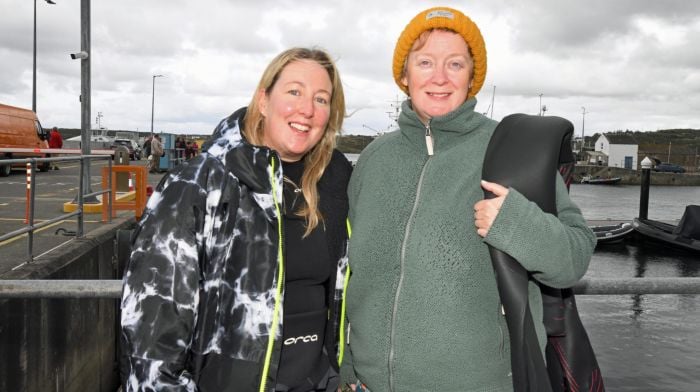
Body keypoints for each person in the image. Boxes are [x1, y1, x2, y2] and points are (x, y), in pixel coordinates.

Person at [340, 7, 596, 392]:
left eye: (455, 64)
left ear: (472, 77)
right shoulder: (374, 159)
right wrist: (348, 370)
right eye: (425, 62)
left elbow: (575, 257)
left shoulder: (511, 151)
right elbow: (352, 275)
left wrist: (515, 224)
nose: (439, 77)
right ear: (404, 75)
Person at [120, 47, 352, 392]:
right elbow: (151, 332)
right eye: (294, 92)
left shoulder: (335, 182)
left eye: (321, 99)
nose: (307, 109)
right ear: (263, 100)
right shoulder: (200, 183)